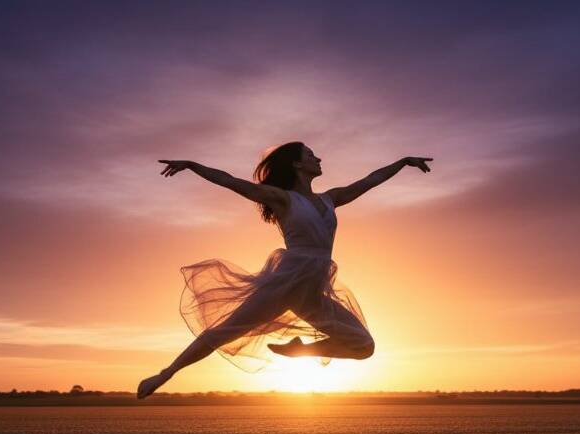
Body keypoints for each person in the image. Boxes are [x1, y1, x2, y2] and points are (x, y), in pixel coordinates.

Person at [138, 142, 432, 398]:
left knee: (364, 346)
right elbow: (230, 181)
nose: (318, 159)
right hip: (286, 282)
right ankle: (166, 373)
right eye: (311, 155)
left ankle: (299, 349)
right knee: (226, 330)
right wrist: (191, 165)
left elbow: (370, 180)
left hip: (312, 290)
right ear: (296, 163)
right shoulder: (282, 198)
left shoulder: (331, 199)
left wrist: (404, 162)